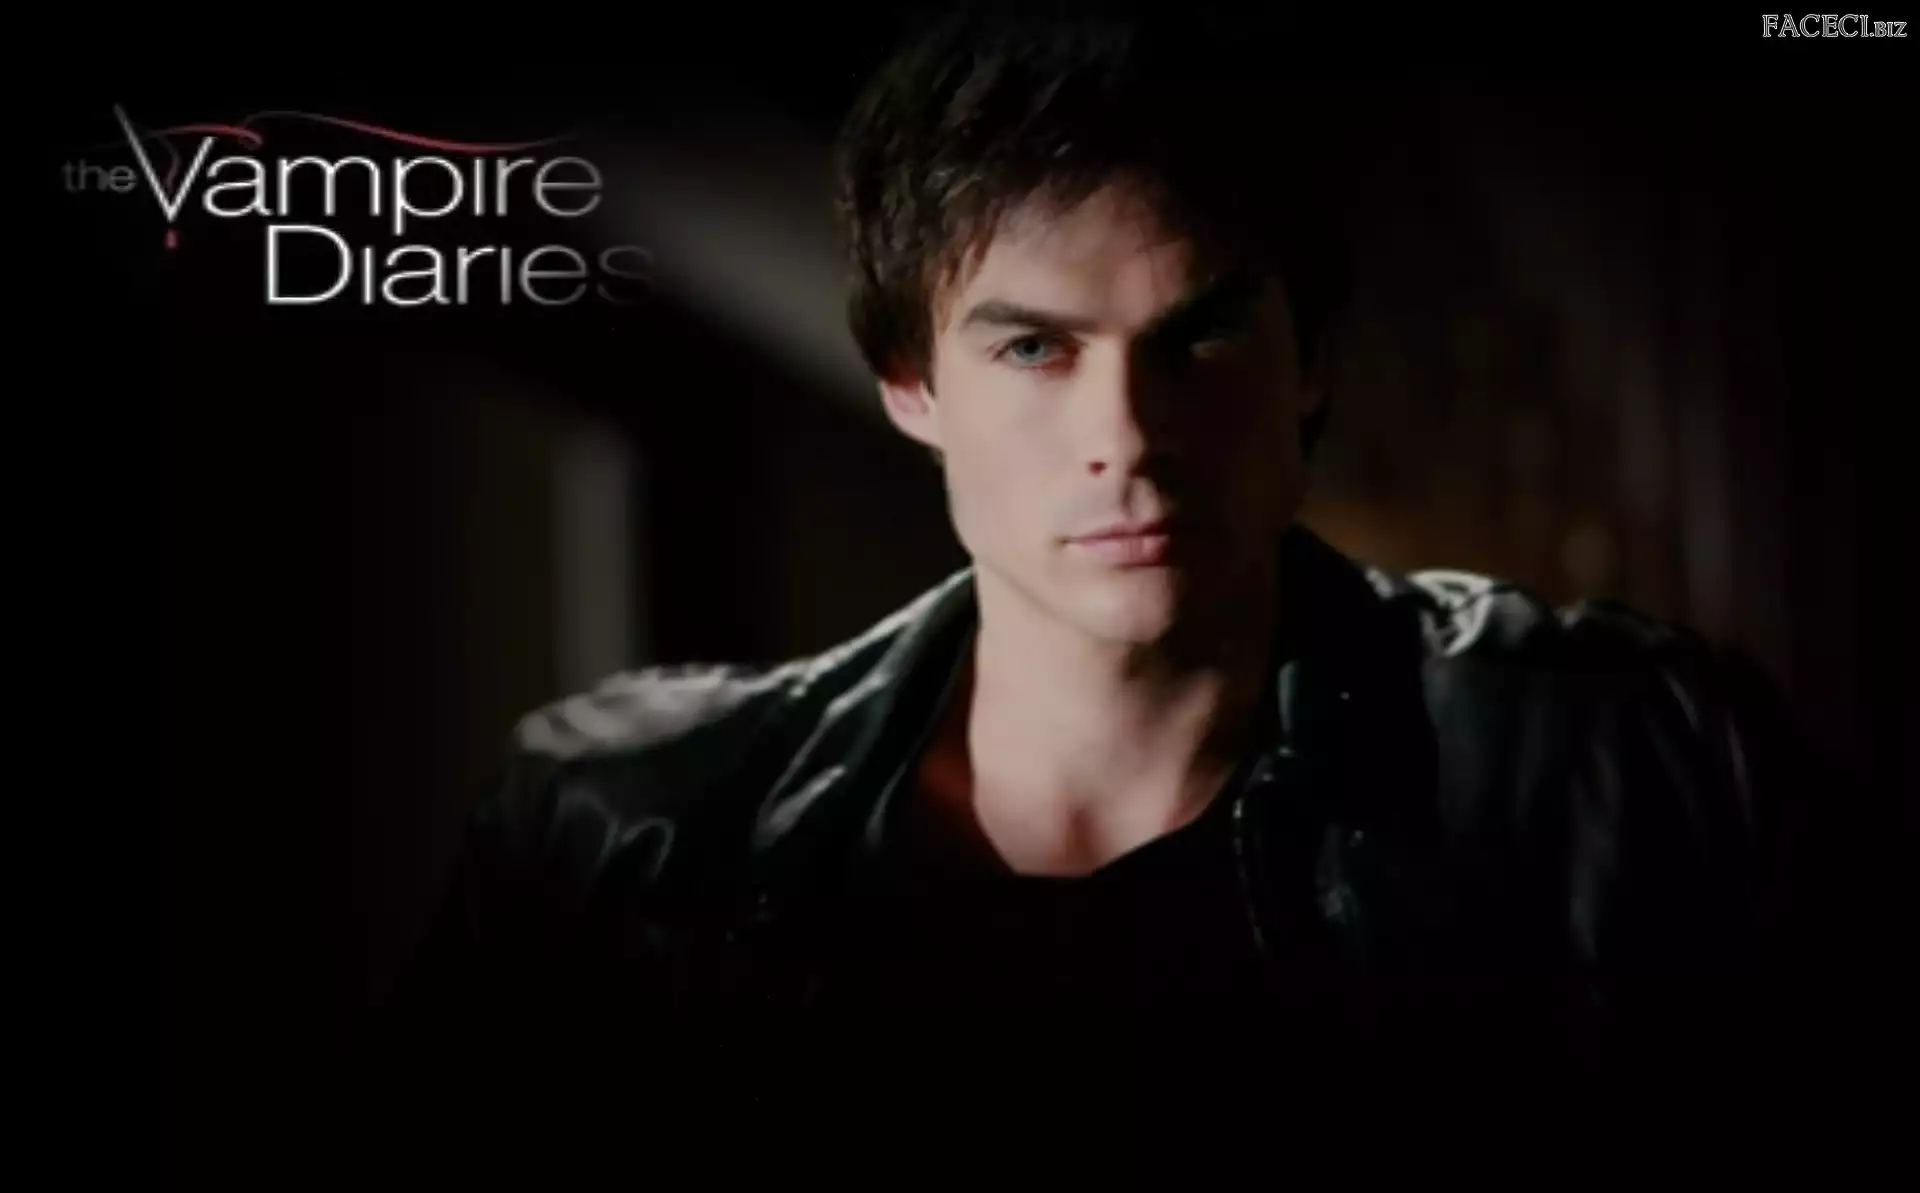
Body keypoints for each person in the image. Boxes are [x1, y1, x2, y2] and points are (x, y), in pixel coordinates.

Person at [375, 2, 1844, 1169]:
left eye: (1197, 339)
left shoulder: (1641, 761)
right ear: (910, 385)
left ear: (1311, 359)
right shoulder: (619, 834)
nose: (1128, 438)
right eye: (1034, 348)